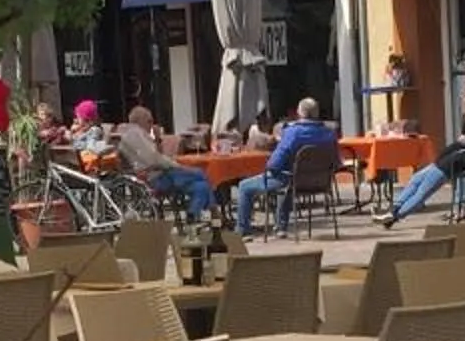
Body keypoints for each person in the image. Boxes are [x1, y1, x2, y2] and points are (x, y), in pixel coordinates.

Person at [378, 81, 465, 227]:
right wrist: (464, 139)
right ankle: (394, 209)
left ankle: (394, 216)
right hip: (453, 155)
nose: (464, 95)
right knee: (416, 178)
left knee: (424, 189)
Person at [232, 97, 337, 237]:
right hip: (320, 182)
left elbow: (274, 163)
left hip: (291, 181)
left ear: (299, 113)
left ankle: (242, 230)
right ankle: (281, 227)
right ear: (317, 113)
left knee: (245, 186)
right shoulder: (330, 134)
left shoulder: (293, 133)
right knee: (288, 178)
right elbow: (336, 162)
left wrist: (270, 166)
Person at [113, 103, 213, 214]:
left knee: (201, 186)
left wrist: (157, 140)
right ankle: (215, 216)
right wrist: (175, 165)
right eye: (149, 121)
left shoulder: (135, 135)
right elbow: (154, 159)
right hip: (155, 179)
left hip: (157, 175)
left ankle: (193, 215)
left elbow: (154, 156)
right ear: (139, 121)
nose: (152, 124)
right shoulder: (135, 134)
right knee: (201, 174)